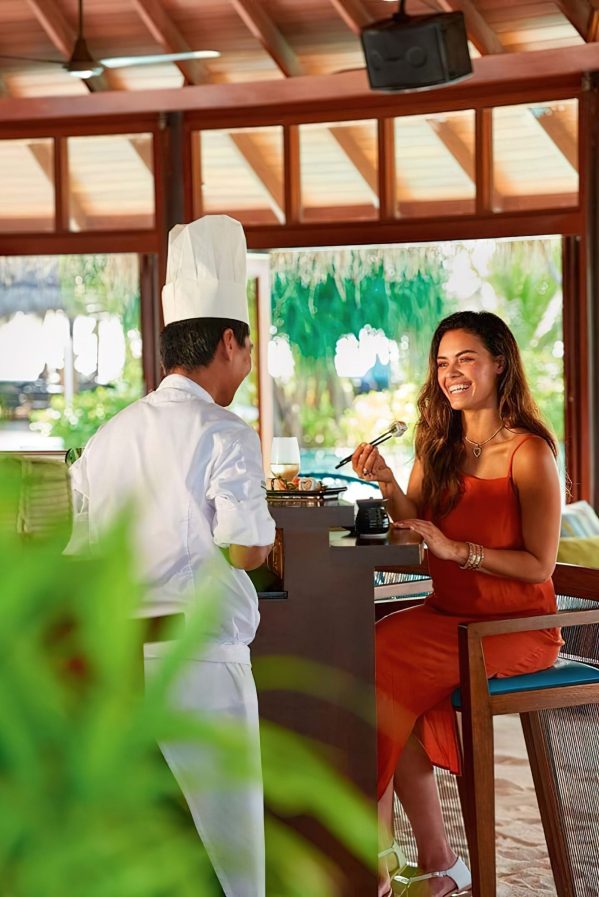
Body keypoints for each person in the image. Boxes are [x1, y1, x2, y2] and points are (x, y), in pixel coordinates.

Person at [66, 215, 275, 897]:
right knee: (229, 859)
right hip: (200, 664)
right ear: (227, 342)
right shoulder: (225, 432)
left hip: (120, 668)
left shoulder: (108, 436)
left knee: (145, 858)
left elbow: (83, 552)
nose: (247, 363)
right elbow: (246, 549)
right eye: (247, 347)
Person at [351, 310, 563, 897]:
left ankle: (379, 862)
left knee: (380, 666)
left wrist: (458, 550)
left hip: (515, 628)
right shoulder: (438, 446)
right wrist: (387, 482)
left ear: (500, 363)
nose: (452, 373)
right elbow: (413, 525)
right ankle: (436, 862)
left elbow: (540, 566)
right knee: (368, 658)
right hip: (448, 617)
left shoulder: (529, 453)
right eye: (443, 363)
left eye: (466, 359)